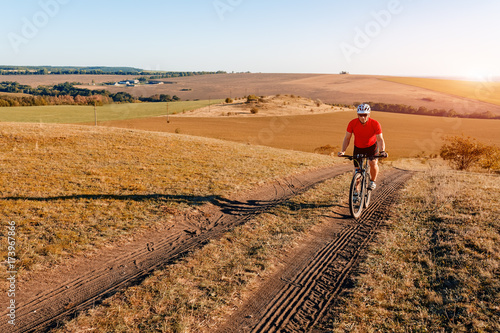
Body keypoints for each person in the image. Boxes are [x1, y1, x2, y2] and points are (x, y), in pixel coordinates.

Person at [337, 103, 388, 190]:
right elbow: (347, 138)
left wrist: (382, 151)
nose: (363, 117)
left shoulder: (375, 123)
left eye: (365, 115)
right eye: (360, 115)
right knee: (357, 170)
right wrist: (343, 151)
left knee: (373, 163)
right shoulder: (352, 123)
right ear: (357, 114)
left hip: (372, 147)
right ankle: (355, 191)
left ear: (369, 114)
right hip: (358, 147)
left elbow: (379, 139)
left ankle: (372, 181)